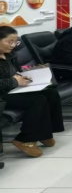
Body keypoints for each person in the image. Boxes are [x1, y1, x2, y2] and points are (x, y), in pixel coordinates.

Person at [0, 26, 64, 157]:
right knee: (36, 100)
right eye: (9, 41)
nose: (13, 45)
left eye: (15, 42)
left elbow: (15, 72)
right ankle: (25, 139)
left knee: (50, 93)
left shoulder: (10, 55)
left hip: (12, 89)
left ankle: (44, 133)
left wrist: (25, 75)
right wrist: (15, 81)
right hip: (2, 95)